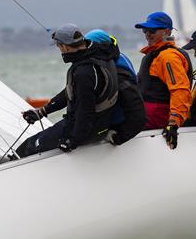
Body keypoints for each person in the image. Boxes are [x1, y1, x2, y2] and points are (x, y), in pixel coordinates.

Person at [15, 24, 119, 158]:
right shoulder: (101, 56)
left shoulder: (84, 72)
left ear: (65, 46)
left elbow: (85, 111)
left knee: (28, 147)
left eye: (59, 47)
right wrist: (43, 111)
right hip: (100, 125)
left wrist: (73, 140)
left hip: (87, 130)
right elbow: (71, 92)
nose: (60, 51)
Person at [134, 11, 192, 150]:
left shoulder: (168, 57)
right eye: (145, 30)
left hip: (156, 118)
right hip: (148, 117)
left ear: (166, 31)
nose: (148, 34)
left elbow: (180, 90)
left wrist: (173, 123)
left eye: (152, 30)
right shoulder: (157, 54)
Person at [84, 29, 146, 146]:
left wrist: (120, 136)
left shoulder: (118, 72)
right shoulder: (116, 55)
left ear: (100, 48)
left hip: (115, 125)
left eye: (88, 47)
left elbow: (139, 115)